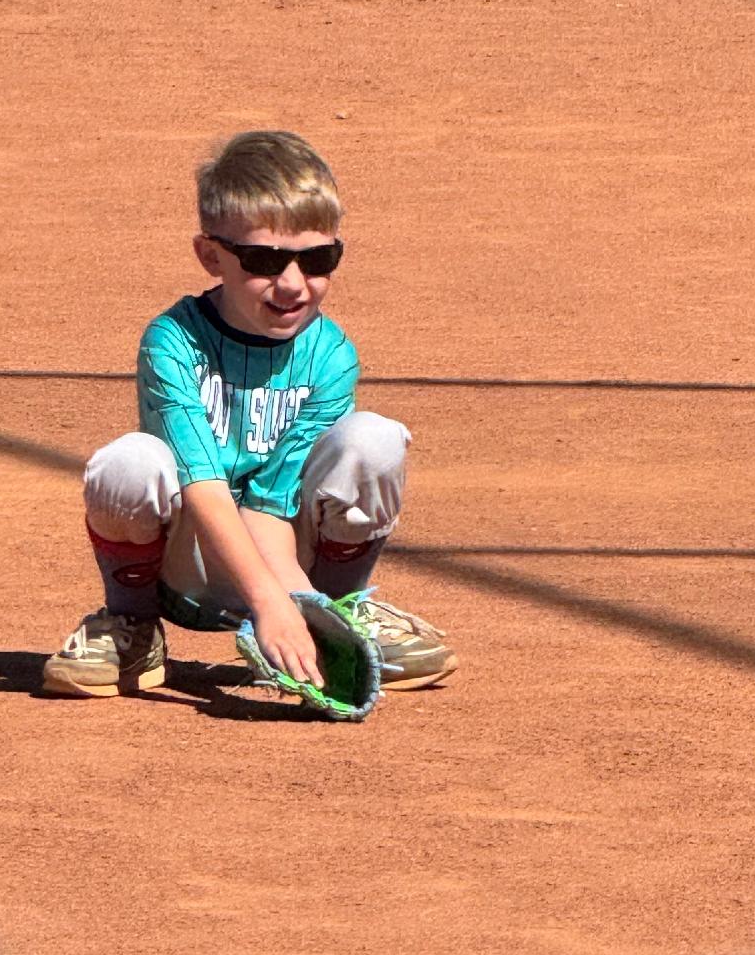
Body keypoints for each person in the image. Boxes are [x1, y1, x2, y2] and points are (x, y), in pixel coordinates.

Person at [42, 129, 456, 699]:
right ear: (211, 256)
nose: (292, 284)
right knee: (130, 463)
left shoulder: (331, 354)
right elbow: (204, 488)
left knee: (372, 439)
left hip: (285, 553)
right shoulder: (173, 341)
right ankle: (132, 625)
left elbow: (270, 505)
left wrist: (301, 608)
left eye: (318, 259)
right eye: (264, 260)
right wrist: (269, 603)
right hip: (188, 560)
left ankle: (339, 612)